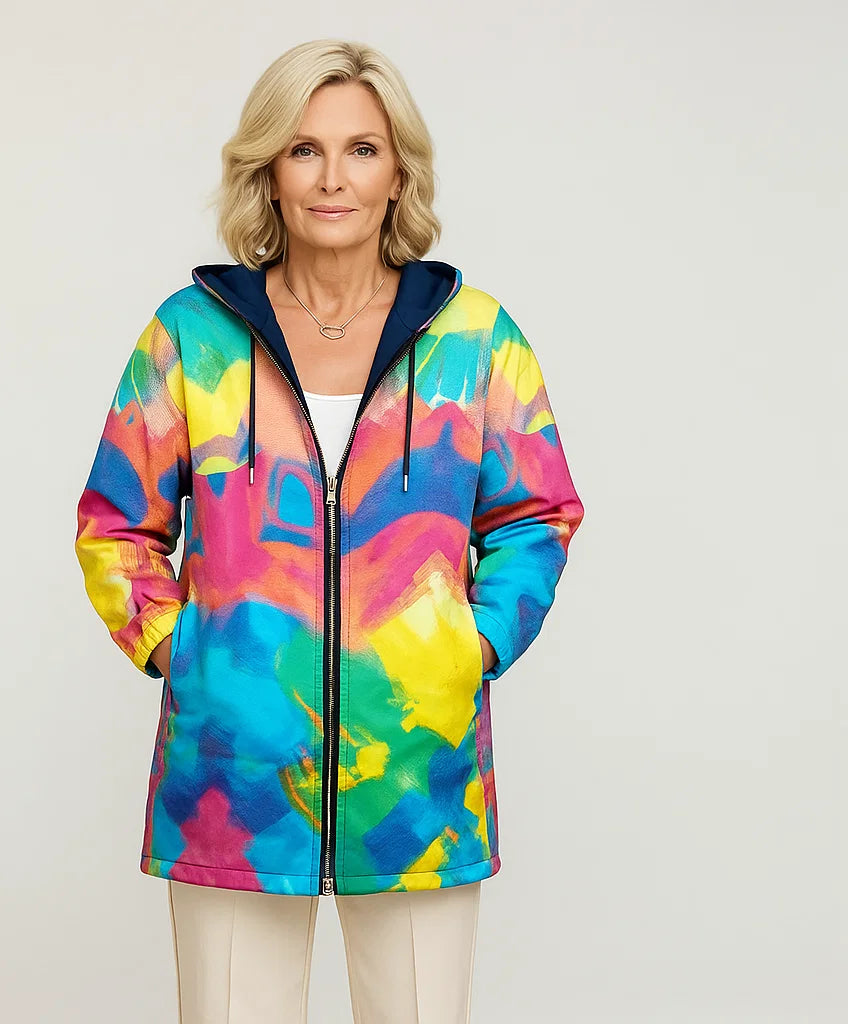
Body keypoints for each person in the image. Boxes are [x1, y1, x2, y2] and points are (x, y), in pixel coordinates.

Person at [74, 37, 585, 1024]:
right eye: (304, 149)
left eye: (361, 149)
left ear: (398, 172)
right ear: (268, 168)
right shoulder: (191, 335)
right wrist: (189, 653)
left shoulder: (474, 338)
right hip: (233, 781)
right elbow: (115, 522)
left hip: (416, 785)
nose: (332, 178)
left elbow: (536, 514)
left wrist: (468, 646)